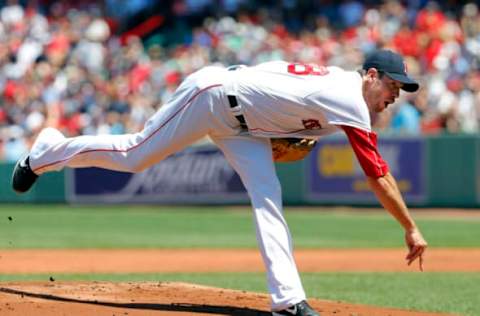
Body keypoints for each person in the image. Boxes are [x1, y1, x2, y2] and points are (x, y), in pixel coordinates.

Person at [11, 49, 428, 316]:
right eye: (392, 84)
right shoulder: (350, 97)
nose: (395, 94)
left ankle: (288, 300)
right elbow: (377, 174)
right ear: (371, 75)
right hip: (212, 96)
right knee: (134, 155)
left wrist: (274, 131)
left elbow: (276, 80)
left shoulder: (339, 89)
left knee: (268, 196)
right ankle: (48, 150)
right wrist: (409, 227)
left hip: (243, 125)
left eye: (401, 89)